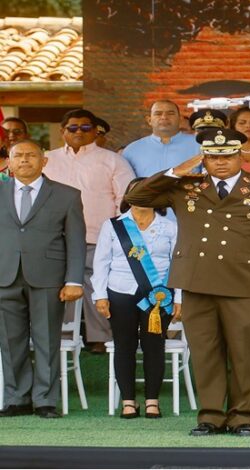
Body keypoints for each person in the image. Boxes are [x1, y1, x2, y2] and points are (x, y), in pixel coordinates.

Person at [124, 128, 250, 437]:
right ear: (204, 156)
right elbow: (136, 196)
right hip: (197, 282)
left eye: (227, 155)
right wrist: (176, 171)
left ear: (239, 156)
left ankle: (242, 418)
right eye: (213, 156)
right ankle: (211, 417)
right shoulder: (185, 186)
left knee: (244, 355)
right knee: (205, 353)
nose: (220, 162)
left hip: (246, 284)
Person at [0, 140, 86, 419]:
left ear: (44, 161)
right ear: (9, 163)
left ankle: (45, 400)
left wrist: (74, 279)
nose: (24, 160)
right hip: (4, 276)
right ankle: (16, 398)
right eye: (18, 156)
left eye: (31, 155)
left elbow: (75, 241)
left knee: (47, 339)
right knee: (10, 341)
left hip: (49, 278)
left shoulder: (66, 195)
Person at [44, 109, 136, 354]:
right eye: (72, 127)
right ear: (62, 131)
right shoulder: (47, 159)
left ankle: (100, 339)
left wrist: (119, 234)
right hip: (55, 238)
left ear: (96, 131)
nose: (78, 132)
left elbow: (125, 199)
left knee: (98, 287)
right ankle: (62, 337)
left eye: (85, 127)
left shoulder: (113, 160)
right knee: (58, 287)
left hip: (99, 235)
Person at [91, 178, 182, 419]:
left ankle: (152, 400)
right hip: (119, 292)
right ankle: (128, 401)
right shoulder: (113, 226)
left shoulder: (170, 227)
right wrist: (100, 295)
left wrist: (179, 297)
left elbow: (178, 265)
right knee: (125, 346)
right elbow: (101, 262)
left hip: (159, 296)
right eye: (137, 191)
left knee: (154, 346)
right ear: (128, 196)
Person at [122, 100, 201, 179]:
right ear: (149, 120)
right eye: (158, 114)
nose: (164, 117)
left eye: (170, 113)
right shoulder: (132, 150)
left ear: (180, 119)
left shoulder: (199, 145)